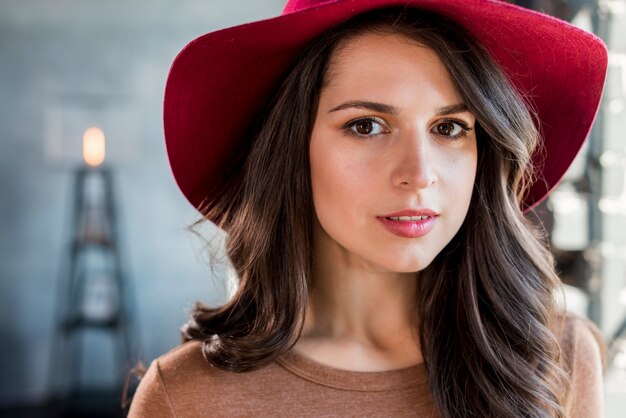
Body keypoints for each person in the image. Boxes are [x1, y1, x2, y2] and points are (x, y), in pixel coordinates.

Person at [129, 0, 608, 416]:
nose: (419, 174)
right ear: (293, 148)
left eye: (449, 128)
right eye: (367, 126)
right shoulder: (188, 398)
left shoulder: (555, 358)